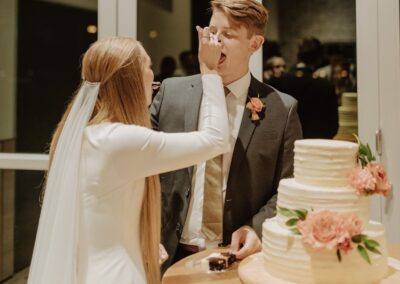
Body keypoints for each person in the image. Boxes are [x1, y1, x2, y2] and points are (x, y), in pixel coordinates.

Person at [28, 30, 230, 284]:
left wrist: (137, 239)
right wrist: (210, 72)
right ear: (130, 78)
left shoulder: (85, 134)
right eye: (148, 66)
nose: (153, 76)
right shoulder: (121, 140)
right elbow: (216, 140)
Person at [151, 0, 302, 270]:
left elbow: (289, 189)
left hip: (237, 258)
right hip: (166, 253)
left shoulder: (282, 108)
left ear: (255, 44)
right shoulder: (170, 93)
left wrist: (257, 229)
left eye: (228, 35)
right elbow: (141, 169)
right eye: (211, 32)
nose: (215, 42)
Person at [269, 37, 339, 139]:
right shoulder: (325, 85)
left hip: (284, 146)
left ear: (298, 55)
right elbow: (332, 128)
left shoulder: (277, 81)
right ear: (319, 58)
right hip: (314, 147)